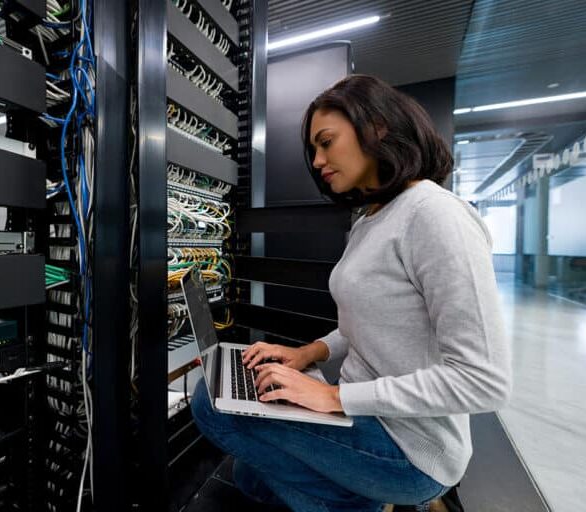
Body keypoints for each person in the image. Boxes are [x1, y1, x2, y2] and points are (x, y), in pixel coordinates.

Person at [190, 74, 512, 512]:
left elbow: (483, 380)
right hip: (365, 412)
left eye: (326, 142)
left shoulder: (436, 216)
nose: (318, 160)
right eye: (313, 150)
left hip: (408, 445)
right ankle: (366, 497)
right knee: (250, 476)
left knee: (210, 404)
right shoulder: (371, 218)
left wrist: (335, 398)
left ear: (376, 126)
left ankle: (383, 499)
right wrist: (310, 353)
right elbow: (371, 320)